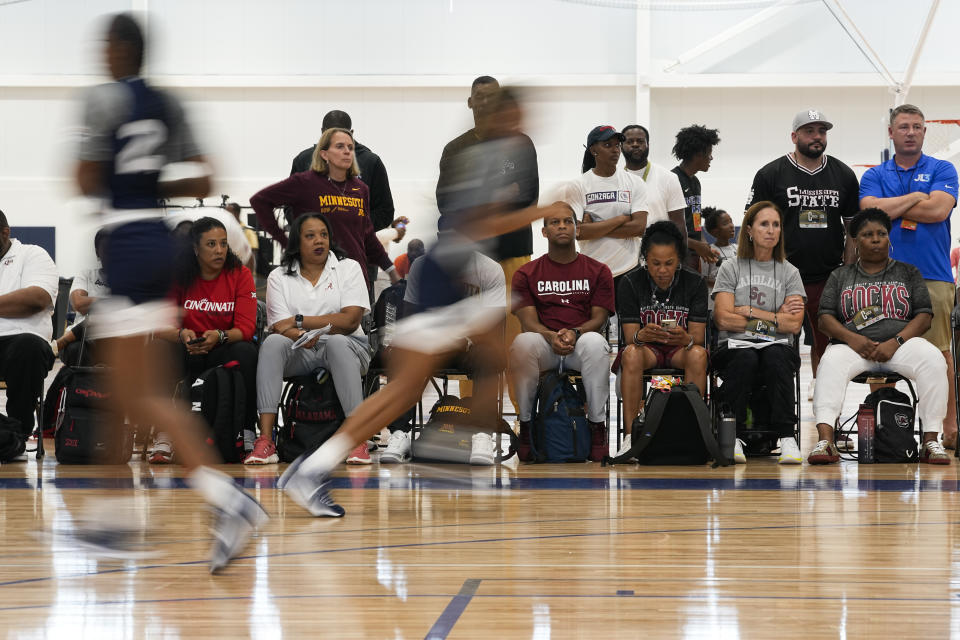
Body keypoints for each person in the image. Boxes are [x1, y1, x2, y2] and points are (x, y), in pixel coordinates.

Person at [277, 87, 573, 517]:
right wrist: (540, 210)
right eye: (521, 111)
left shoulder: (495, 153)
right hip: (443, 275)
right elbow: (476, 222)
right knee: (407, 388)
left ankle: (449, 439)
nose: (528, 119)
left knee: (451, 372)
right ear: (505, 113)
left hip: (453, 277)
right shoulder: (483, 158)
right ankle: (327, 466)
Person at [71, 13, 266, 571]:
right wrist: (154, 180)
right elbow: (205, 182)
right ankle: (115, 520)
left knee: (140, 395)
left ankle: (227, 502)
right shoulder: (170, 104)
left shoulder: (103, 103)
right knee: (132, 391)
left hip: (129, 245)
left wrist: (121, 180)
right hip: (159, 242)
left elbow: (83, 178)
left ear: (118, 50)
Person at [809, 208, 950, 464]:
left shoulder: (908, 272)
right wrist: (854, 339)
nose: (875, 239)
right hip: (853, 347)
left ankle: (930, 441)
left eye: (881, 233)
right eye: (867, 234)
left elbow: (924, 316)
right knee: (829, 362)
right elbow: (825, 319)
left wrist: (896, 342)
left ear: (889, 238)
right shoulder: (840, 275)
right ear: (855, 241)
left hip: (900, 345)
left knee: (933, 360)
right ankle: (826, 441)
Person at [860, 104, 960, 450]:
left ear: (924, 132)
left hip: (933, 276)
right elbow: (870, 213)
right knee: (881, 352)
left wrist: (894, 204)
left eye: (917, 126)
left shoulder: (943, 168)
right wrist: (918, 196)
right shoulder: (874, 174)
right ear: (891, 132)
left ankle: (947, 426)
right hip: (881, 279)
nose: (911, 132)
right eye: (903, 126)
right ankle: (887, 426)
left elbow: (938, 210)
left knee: (940, 353)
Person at [436, 76, 539, 408]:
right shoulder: (456, 149)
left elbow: (528, 197)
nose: (485, 102)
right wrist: (498, 198)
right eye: (478, 97)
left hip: (514, 255)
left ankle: (522, 416)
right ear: (469, 103)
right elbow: (447, 203)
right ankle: (473, 414)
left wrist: (484, 205)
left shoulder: (521, 144)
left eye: (492, 97)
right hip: (472, 260)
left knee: (514, 341)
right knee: (477, 342)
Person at [747, 109, 860, 402]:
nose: (817, 137)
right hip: (782, 276)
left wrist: (846, 272)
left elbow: (853, 231)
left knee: (831, 348)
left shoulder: (844, 174)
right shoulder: (771, 174)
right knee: (778, 345)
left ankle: (827, 415)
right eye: (810, 131)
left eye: (822, 131)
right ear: (795, 136)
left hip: (828, 275)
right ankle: (779, 415)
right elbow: (754, 225)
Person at [249, 213, 372, 465]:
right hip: (301, 348)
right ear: (296, 242)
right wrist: (299, 333)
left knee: (337, 342)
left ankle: (357, 439)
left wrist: (299, 321)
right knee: (272, 344)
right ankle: (266, 440)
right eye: (310, 236)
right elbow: (279, 326)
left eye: (324, 235)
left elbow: (350, 321)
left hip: (350, 349)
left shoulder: (348, 268)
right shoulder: (279, 277)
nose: (319, 241)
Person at [379, 245, 507, 464]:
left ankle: (482, 434)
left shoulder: (490, 268)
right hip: (432, 344)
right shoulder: (422, 267)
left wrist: (464, 339)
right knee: (402, 349)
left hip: (471, 345)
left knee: (490, 355)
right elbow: (411, 319)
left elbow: (496, 330)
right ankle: (400, 434)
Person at [151, 217, 259, 465]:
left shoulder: (240, 274)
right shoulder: (178, 276)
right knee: (159, 350)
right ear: (195, 248)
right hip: (186, 345)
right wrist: (182, 334)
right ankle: (164, 432)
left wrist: (220, 336)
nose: (219, 250)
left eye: (223, 243)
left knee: (247, 352)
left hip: (222, 346)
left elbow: (246, 327)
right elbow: (160, 324)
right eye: (211, 244)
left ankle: (247, 430)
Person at [510, 210, 614, 462]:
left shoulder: (599, 271)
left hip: (580, 344)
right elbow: (528, 321)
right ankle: (526, 426)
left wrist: (576, 332)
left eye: (568, 221)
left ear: (577, 229)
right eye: (554, 222)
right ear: (544, 232)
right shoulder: (526, 273)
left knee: (596, 343)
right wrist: (549, 335)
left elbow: (599, 318)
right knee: (521, 343)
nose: (562, 226)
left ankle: (596, 427)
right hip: (545, 345)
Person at [712, 201, 806, 464]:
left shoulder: (790, 272)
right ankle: (735, 437)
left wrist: (751, 312)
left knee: (776, 357)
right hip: (734, 347)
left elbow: (794, 325)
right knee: (746, 359)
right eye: (764, 224)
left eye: (776, 225)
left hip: (776, 348)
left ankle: (787, 437)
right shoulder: (731, 267)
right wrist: (777, 317)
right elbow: (722, 318)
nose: (771, 230)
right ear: (750, 230)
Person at [250, 127, 400, 290]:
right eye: (340, 146)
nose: (347, 151)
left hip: (354, 277)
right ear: (324, 154)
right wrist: (286, 242)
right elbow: (260, 201)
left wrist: (390, 270)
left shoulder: (360, 189)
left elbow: (368, 236)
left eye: (350, 147)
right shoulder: (305, 182)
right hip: (317, 278)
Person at [615, 221, 708, 458]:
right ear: (645, 258)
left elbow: (697, 338)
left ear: (680, 260)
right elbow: (630, 337)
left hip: (679, 350)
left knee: (698, 354)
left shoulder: (694, 282)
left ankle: (692, 432)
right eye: (655, 264)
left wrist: (685, 337)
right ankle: (631, 437)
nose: (662, 270)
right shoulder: (630, 282)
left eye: (669, 263)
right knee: (630, 353)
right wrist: (642, 335)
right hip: (648, 350)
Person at [0, 209, 58, 445]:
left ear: (5, 233)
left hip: (21, 344)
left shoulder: (33, 254)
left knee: (28, 347)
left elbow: (36, 299)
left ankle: (16, 434)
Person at [290, 110, 396, 233]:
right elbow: (290, 206)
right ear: (322, 132)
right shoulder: (303, 160)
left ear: (351, 133)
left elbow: (385, 211)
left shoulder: (370, 162)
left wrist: (354, 227)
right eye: (331, 135)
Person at [565, 125, 648, 281]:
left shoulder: (635, 183)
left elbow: (639, 227)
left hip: (629, 271)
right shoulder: (578, 185)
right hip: (592, 272)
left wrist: (594, 227)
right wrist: (621, 219)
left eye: (617, 145)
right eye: (608, 145)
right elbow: (577, 232)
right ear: (593, 150)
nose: (615, 150)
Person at [671, 125, 722, 271]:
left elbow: (696, 219)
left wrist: (704, 244)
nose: (711, 157)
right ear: (698, 153)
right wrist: (696, 245)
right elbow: (670, 226)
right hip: (676, 252)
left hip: (692, 251)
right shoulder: (672, 180)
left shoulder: (695, 182)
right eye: (709, 153)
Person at [56, 230, 110, 365]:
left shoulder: (130, 278)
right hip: (84, 338)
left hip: (115, 337)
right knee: (74, 350)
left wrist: (93, 303)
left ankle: (60, 343)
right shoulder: (86, 275)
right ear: (98, 253)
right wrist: (109, 302)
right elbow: (79, 304)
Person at [620, 124, 687, 231]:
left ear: (648, 145)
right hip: (625, 246)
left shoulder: (669, 178)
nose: (635, 144)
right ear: (621, 147)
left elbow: (679, 223)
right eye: (629, 141)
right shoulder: (614, 179)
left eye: (640, 141)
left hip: (659, 245)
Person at [700, 207, 737, 308]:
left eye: (731, 221)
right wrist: (722, 284)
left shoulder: (738, 250)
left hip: (735, 302)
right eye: (726, 223)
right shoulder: (708, 251)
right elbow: (702, 279)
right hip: (714, 304)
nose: (731, 226)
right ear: (715, 232)